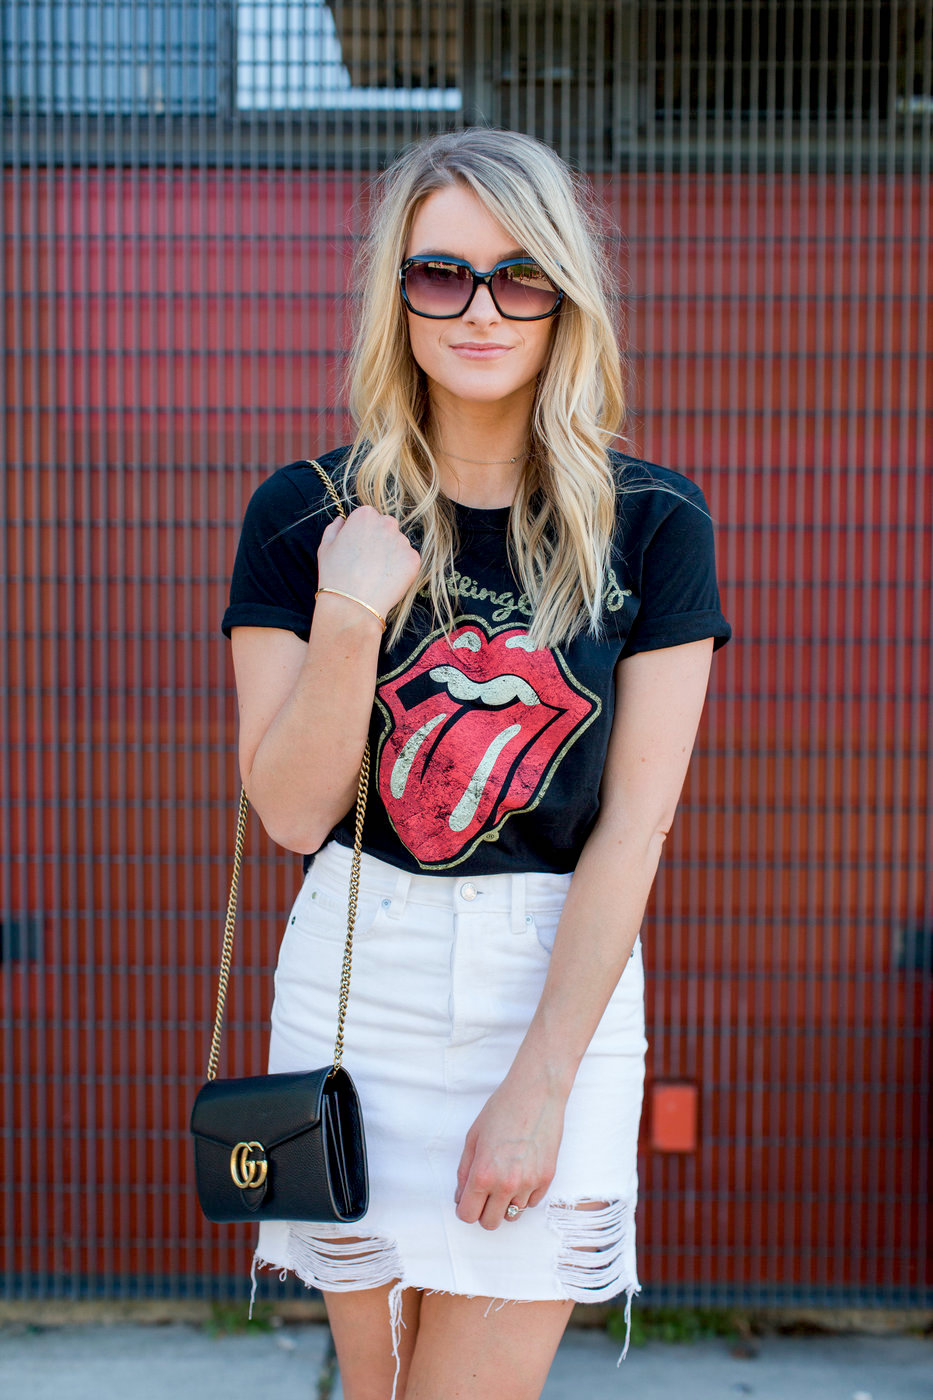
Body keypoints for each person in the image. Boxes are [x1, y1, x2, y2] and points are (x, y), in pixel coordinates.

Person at [222, 127, 730, 1400]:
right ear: (396, 292)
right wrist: (349, 613)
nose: (481, 308)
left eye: (521, 275)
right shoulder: (303, 511)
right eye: (441, 273)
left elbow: (633, 831)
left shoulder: (652, 526)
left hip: (553, 982)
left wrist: (540, 1081)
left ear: (566, 294)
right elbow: (289, 812)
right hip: (357, 979)